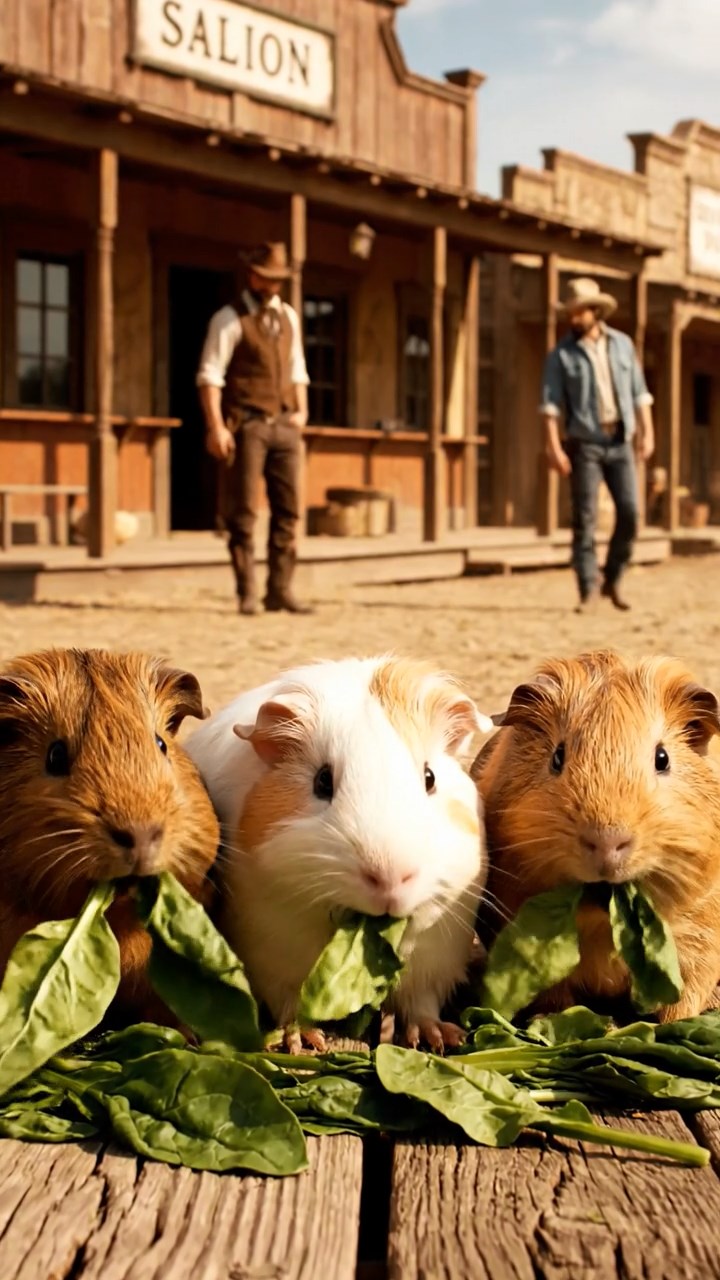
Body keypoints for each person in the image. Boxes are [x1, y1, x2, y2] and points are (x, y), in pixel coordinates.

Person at [196, 241, 312, 615]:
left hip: (285, 426)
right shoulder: (228, 319)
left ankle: (280, 589)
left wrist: (302, 412)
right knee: (243, 511)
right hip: (247, 425)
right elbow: (210, 376)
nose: (273, 286)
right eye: (268, 278)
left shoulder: (289, 318)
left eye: (279, 280)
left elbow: (297, 370)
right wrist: (216, 427)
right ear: (253, 276)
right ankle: (247, 592)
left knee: (289, 510)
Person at [541, 276, 655, 613]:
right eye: (570, 314)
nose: (573, 319)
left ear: (594, 312)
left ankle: (614, 579)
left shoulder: (622, 345)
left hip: (620, 440)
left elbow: (639, 392)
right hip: (584, 443)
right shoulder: (560, 355)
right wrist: (553, 447)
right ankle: (587, 589)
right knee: (585, 518)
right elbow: (549, 407)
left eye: (579, 313)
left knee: (631, 513)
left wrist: (647, 432)